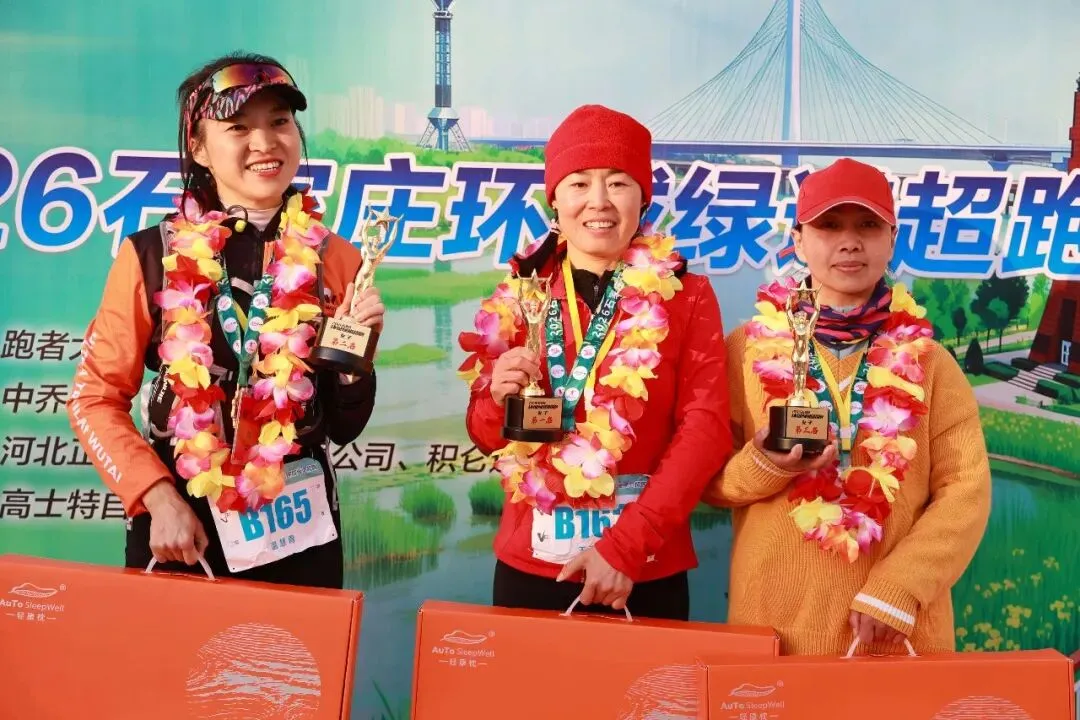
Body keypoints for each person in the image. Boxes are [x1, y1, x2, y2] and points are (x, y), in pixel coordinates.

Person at [66, 52, 382, 589]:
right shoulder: (151, 255)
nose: (265, 142)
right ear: (198, 147)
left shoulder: (339, 259)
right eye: (238, 127)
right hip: (179, 527)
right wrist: (155, 497)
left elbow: (344, 425)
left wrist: (355, 370)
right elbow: (94, 398)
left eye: (280, 122)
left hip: (300, 528)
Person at [703, 157, 991, 654]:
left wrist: (899, 589)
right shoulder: (745, 349)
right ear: (798, 241)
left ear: (892, 239)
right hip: (773, 631)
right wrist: (764, 466)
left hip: (896, 632)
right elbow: (707, 480)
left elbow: (966, 492)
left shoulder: (931, 362)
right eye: (830, 225)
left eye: (868, 226)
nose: (850, 242)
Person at [457, 104, 732, 621]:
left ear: (643, 199)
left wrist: (626, 547)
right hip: (532, 564)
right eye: (579, 183)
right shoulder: (520, 295)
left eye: (619, 183)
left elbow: (705, 430)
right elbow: (487, 437)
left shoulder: (688, 296)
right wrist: (495, 399)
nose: (599, 201)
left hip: (644, 568)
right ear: (554, 200)